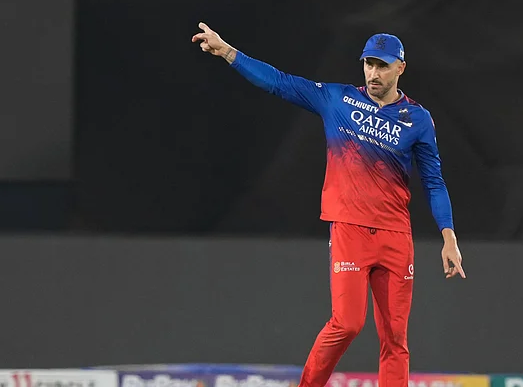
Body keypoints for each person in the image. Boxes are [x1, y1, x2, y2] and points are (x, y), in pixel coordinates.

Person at [191, 22, 465, 387]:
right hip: (350, 229)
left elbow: (434, 181)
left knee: (395, 339)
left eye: (382, 66)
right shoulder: (337, 99)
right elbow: (280, 82)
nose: (373, 73)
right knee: (347, 323)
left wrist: (449, 237)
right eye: (368, 64)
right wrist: (228, 52)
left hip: (396, 236)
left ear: (400, 67)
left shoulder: (418, 119)